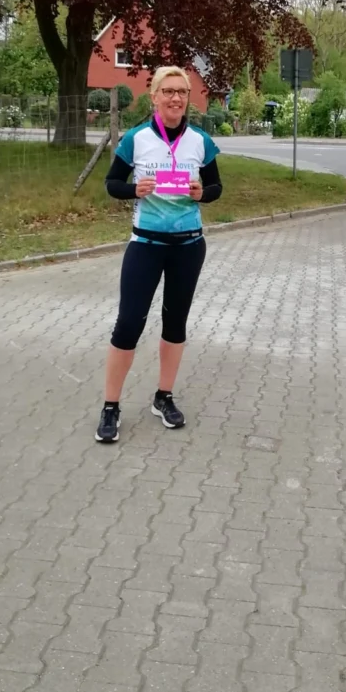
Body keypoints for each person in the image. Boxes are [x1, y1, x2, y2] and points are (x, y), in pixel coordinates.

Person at [95, 66, 222, 443]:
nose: (175, 98)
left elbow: (215, 186)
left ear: (188, 98)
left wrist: (203, 194)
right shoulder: (135, 139)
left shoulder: (200, 140)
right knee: (129, 323)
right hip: (145, 245)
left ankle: (163, 396)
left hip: (188, 246)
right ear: (154, 96)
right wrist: (134, 189)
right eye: (167, 91)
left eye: (181, 92)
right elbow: (112, 184)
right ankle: (111, 406)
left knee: (175, 323)